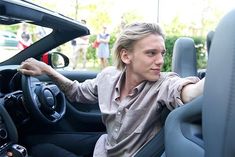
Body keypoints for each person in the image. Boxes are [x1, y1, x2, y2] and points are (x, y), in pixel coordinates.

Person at [19, 22, 205, 157]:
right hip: (105, 146)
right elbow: (76, 92)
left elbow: (190, 92)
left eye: (162, 53)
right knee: (33, 140)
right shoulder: (108, 76)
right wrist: (48, 70)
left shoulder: (164, 83)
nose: (160, 61)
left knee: (42, 151)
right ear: (126, 56)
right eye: (151, 53)